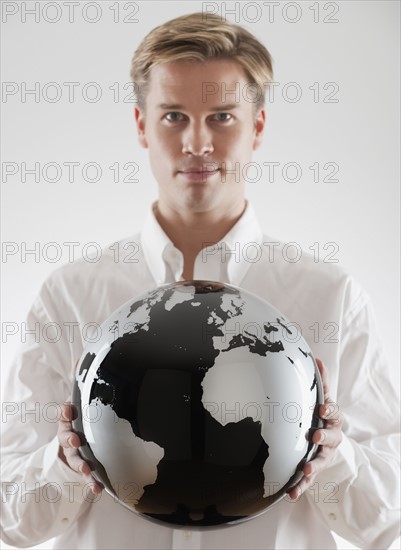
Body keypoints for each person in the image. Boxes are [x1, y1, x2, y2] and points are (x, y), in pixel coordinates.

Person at [1, 12, 399, 550]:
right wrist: (64, 464)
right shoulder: (70, 296)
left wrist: (334, 457)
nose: (197, 142)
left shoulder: (331, 298)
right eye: (173, 116)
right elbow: (12, 521)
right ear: (141, 124)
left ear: (257, 126)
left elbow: (387, 522)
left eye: (221, 117)